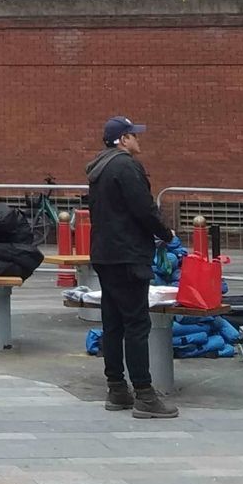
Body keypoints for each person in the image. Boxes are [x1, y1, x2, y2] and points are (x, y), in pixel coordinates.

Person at [86, 116, 177, 420]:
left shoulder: (99, 168)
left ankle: (116, 388)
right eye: (134, 135)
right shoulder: (126, 166)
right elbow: (143, 208)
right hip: (128, 254)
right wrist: (166, 233)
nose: (139, 140)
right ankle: (145, 394)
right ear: (123, 139)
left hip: (104, 254)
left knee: (113, 323)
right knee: (137, 324)